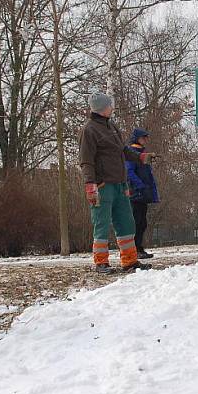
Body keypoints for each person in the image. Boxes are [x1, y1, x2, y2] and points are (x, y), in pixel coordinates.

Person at [79, 93, 155, 274]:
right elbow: (86, 161)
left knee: (127, 223)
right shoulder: (88, 130)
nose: (112, 108)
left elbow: (123, 150)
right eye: (109, 105)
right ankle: (101, 263)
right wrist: (91, 185)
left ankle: (129, 261)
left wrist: (141, 157)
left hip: (120, 185)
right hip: (102, 186)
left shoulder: (111, 126)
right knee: (102, 223)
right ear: (101, 108)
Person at [125, 128, 159, 259]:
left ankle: (139, 248)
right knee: (137, 222)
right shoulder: (132, 153)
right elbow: (129, 172)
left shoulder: (142, 153)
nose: (145, 140)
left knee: (142, 222)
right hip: (136, 193)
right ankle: (134, 249)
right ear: (137, 138)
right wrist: (140, 186)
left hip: (143, 193)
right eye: (143, 137)